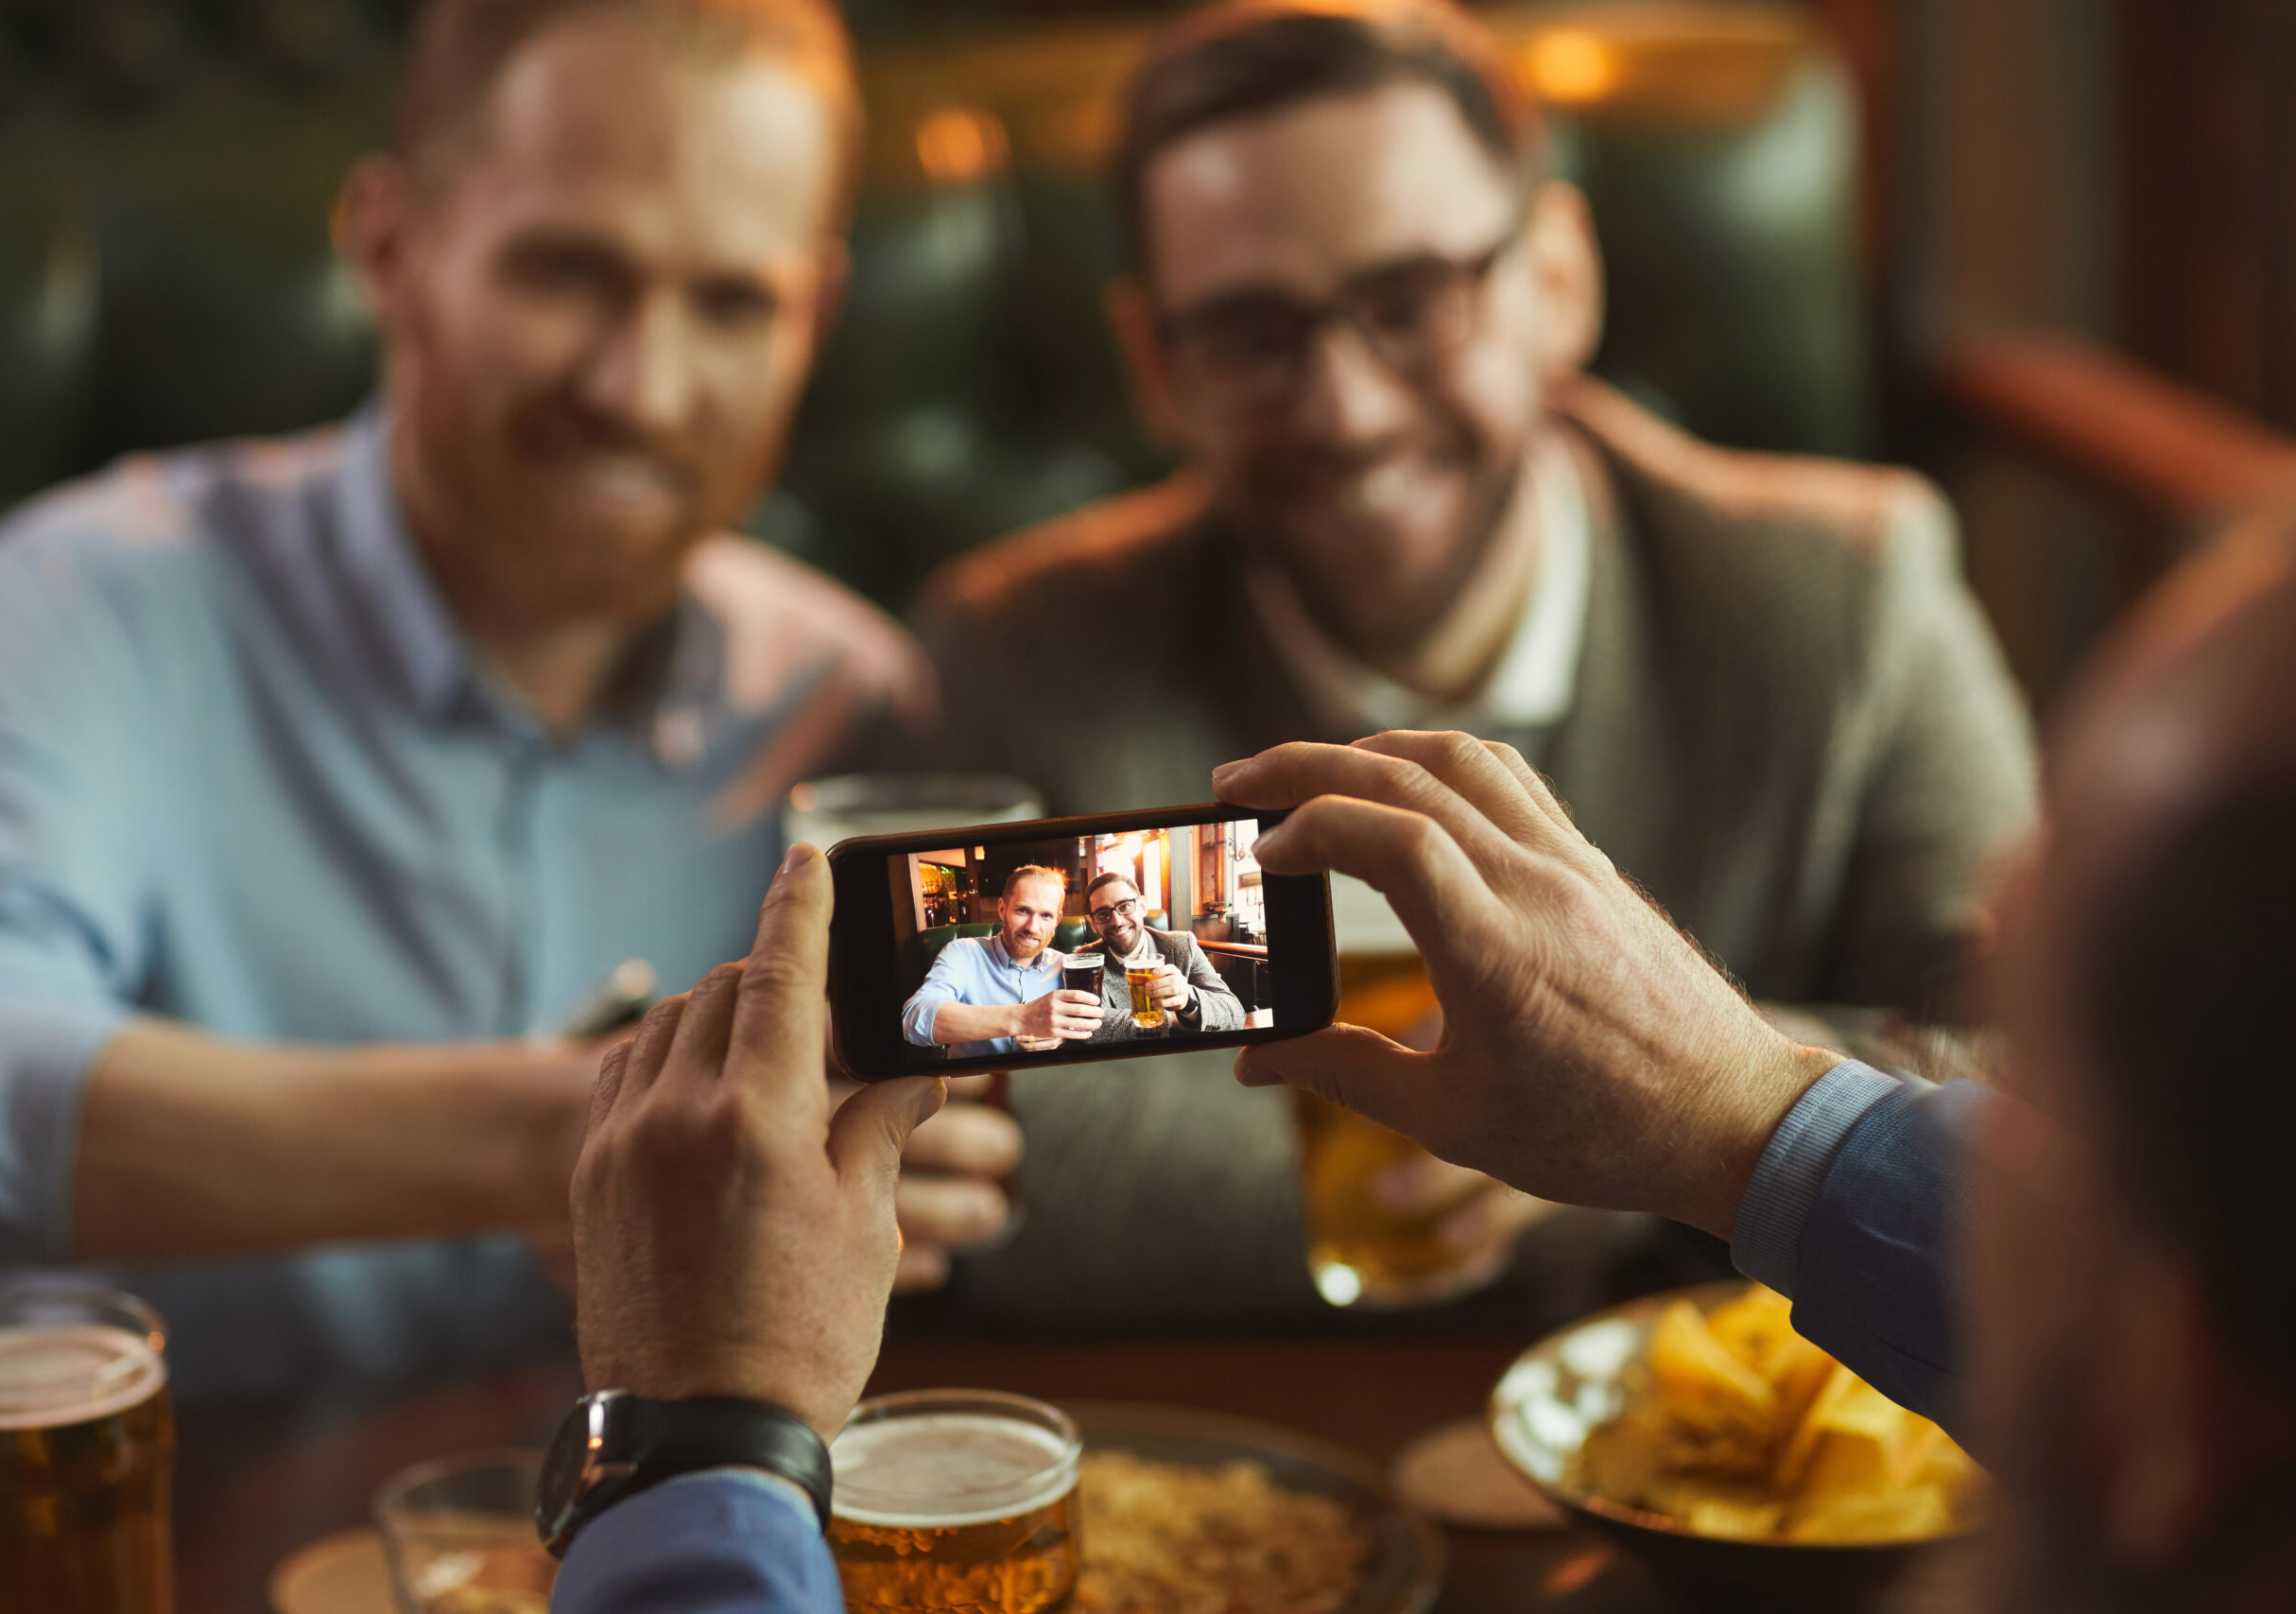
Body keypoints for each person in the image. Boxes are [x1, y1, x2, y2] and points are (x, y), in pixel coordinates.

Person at [547, 530, 2296, 1612]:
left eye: (2041, 1089)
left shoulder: (1831, 584)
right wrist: (1751, 1116)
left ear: (2177, 1395)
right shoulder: (1050, 624)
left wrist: (700, 1441)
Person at [0, 0, 1020, 1407]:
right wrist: (563, 1131)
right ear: (390, 247)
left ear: (816, 318)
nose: (641, 386)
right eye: (565, 272)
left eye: (731, 302)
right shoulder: (92, 598)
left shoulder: (852, 700)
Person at [915, 0, 2035, 1320]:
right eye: (1250, 335)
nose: (1348, 406)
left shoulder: (1851, 595)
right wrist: (1638, 1158)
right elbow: (1018, 1162)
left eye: (1410, 302)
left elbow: (2028, 1082)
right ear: (1155, 364)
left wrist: (1652, 1116)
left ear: (1558, 277)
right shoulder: (1026, 647)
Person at [900, 866, 1100, 1059]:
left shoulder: (1066, 967)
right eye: (1022, 911)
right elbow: (914, 1021)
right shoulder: (962, 953)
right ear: (1002, 909)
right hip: (972, 1086)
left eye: (1045, 915)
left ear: (1057, 921)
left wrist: (1062, 1036)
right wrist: (1023, 1017)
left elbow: (1089, 1028)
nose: (1032, 927)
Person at [1075, 872, 1245, 1041]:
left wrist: (1188, 1001)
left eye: (1125, 906)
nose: (1117, 921)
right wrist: (1170, 1019)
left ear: (1142, 906)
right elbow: (1088, 1030)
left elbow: (1234, 1013)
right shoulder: (1084, 961)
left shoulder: (1182, 946)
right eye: (1103, 914)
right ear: (1093, 924)